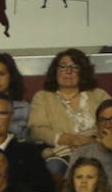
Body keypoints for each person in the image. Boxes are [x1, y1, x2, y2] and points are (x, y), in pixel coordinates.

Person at [30, 49, 110, 179]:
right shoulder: (42, 97)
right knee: (54, 167)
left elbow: (109, 124)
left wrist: (94, 141)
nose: (68, 71)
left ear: (83, 72)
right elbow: (37, 130)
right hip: (62, 154)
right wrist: (65, 138)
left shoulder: (99, 95)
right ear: (55, 71)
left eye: (75, 67)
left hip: (97, 151)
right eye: (63, 66)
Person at [72, 100, 112, 178]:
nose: (108, 125)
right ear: (97, 125)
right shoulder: (81, 153)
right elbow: (69, 187)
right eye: (102, 120)